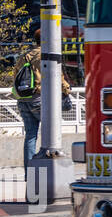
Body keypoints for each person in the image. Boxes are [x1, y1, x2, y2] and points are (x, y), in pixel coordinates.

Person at [12, 31, 72, 169]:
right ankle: (49, 166)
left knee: (30, 136)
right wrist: (66, 89)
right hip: (40, 98)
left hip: (23, 99)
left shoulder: (24, 56)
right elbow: (58, 76)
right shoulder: (46, 56)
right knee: (50, 134)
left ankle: (29, 171)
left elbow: (15, 77)